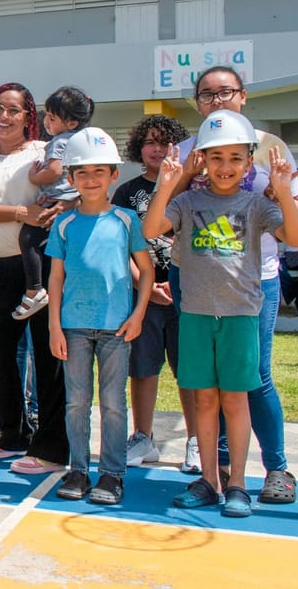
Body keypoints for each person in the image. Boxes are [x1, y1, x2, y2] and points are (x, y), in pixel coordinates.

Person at [146, 110, 298, 518]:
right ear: (202, 160)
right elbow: (150, 231)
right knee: (204, 400)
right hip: (196, 314)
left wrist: (285, 191)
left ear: (250, 162)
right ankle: (210, 481)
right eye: (216, 158)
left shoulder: (255, 204)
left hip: (240, 315)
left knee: (236, 400)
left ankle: (237, 484)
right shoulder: (187, 200)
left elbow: (297, 236)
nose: (226, 167)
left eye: (236, 158)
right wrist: (166, 185)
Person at [0, 82, 70, 474]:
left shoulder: (44, 153)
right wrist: (22, 213)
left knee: (48, 355)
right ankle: (14, 433)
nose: (4, 117)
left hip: (42, 265)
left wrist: (55, 209)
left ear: (28, 116)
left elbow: (66, 190)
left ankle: (53, 447)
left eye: (14, 110)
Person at [48, 128, 153, 505]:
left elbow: (147, 270)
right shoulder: (64, 224)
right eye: (81, 173)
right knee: (76, 402)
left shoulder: (126, 220)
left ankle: (112, 474)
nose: (90, 180)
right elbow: (56, 277)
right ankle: (78, 468)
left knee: (112, 402)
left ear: (113, 176)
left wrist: (138, 314)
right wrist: (54, 326)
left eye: (99, 172)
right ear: (70, 178)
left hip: (116, 328)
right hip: (73, 328)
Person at [112, 115, 199, 474]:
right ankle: (142, 437)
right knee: (142, 369)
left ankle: (197, 439)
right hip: (143, 295)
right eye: (150, 141)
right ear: (138, 147)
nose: (157, 148)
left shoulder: (194, 188)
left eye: (165, 142)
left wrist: (176, 287)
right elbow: (119, 247)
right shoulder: (126, 192)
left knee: (190, 373)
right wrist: (143, 286)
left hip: (187, 293)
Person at [14, 86, 94, 320]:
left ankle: (34, 290)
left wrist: (34, 177)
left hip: (58, 201)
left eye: (52, 117)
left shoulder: (59, 142)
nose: (46, 121)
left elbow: (53, 172)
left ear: (70, 123)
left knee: (28, 238)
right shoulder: (81, 141)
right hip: (72, 202)